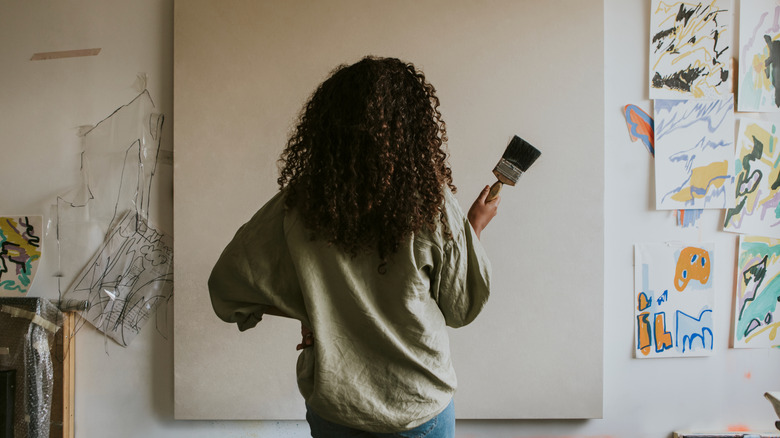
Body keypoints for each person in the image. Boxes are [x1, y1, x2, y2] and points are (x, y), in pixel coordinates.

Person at [208, 56, 498, 437]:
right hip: (419, 406)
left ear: (327, 127)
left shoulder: (297, 205)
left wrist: (313, 313)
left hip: (337, 410)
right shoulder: (432, 204)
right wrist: (473, 228)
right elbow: (460, 308)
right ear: (414, 128)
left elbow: (228, 288)